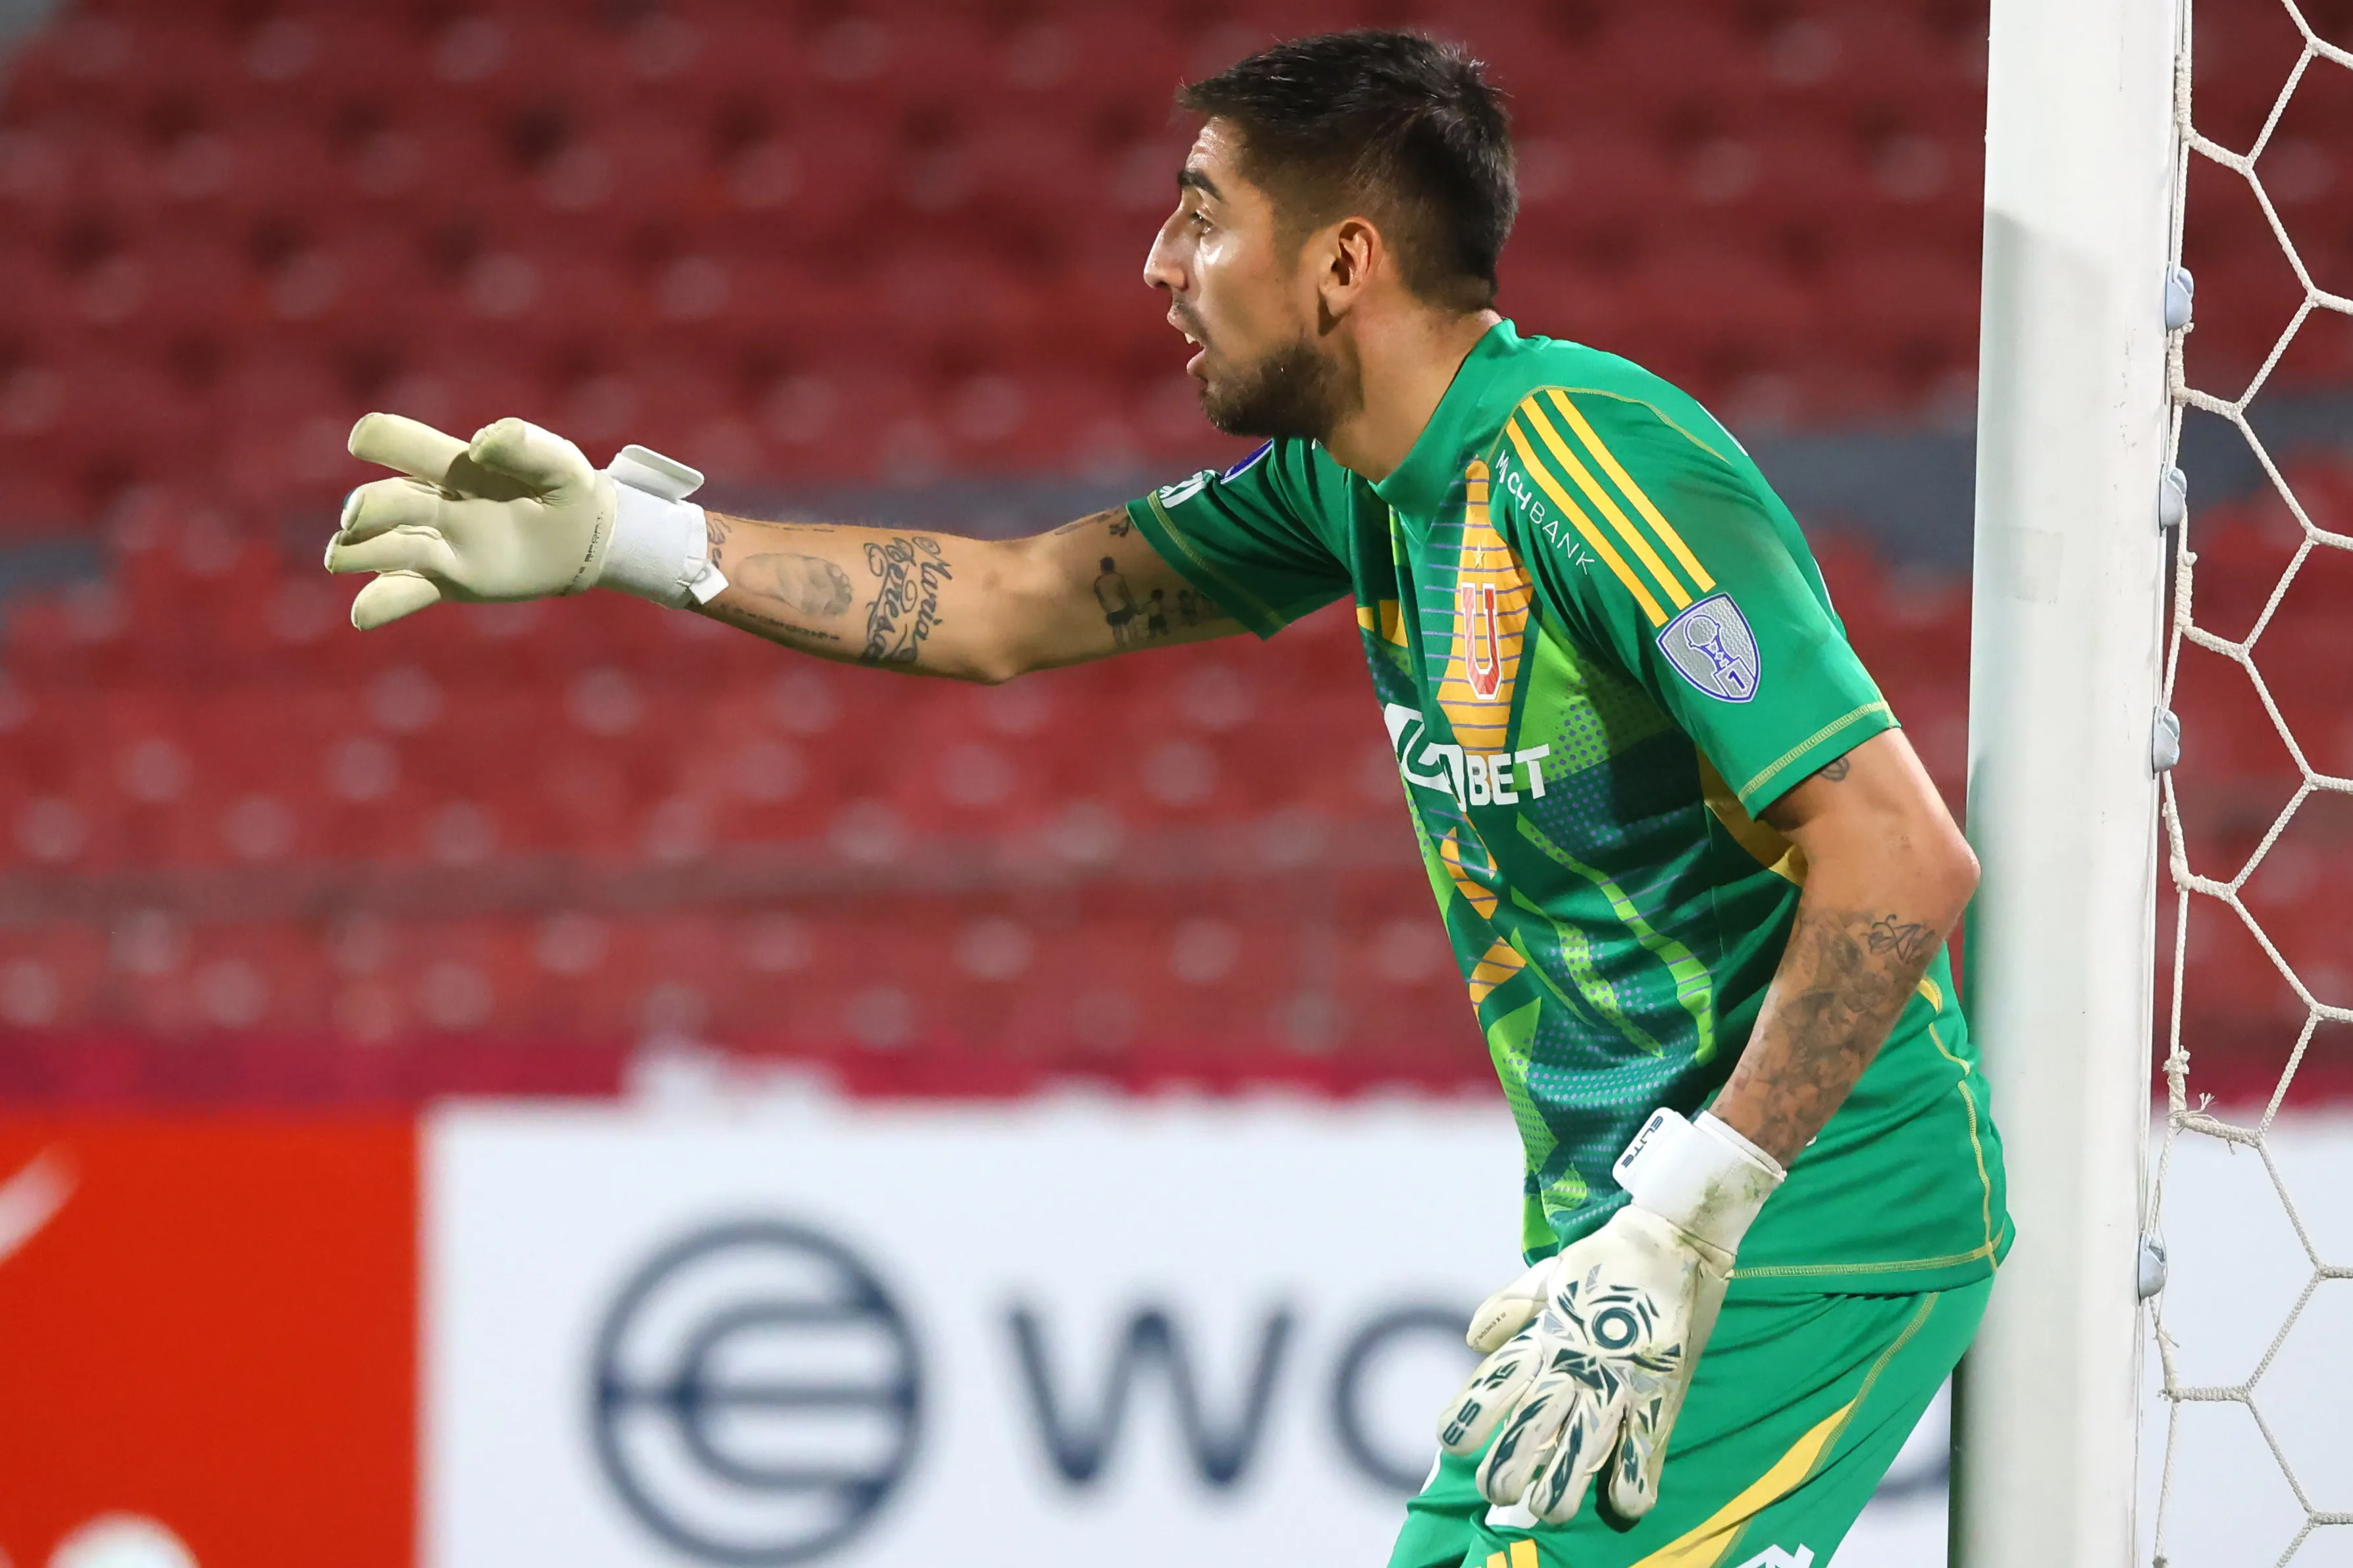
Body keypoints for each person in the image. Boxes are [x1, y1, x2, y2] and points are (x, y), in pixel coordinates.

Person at [324, 30, 2006, 1568]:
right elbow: (1012, 604)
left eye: (1200, 216)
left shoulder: (1594, 463)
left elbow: (1900, 855)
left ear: (1342, 263)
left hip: (1793, 1221)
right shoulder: (1355, 491)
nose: (1158, 265)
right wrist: (630, 540)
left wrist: (1684, 1225)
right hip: (1626, 1243)